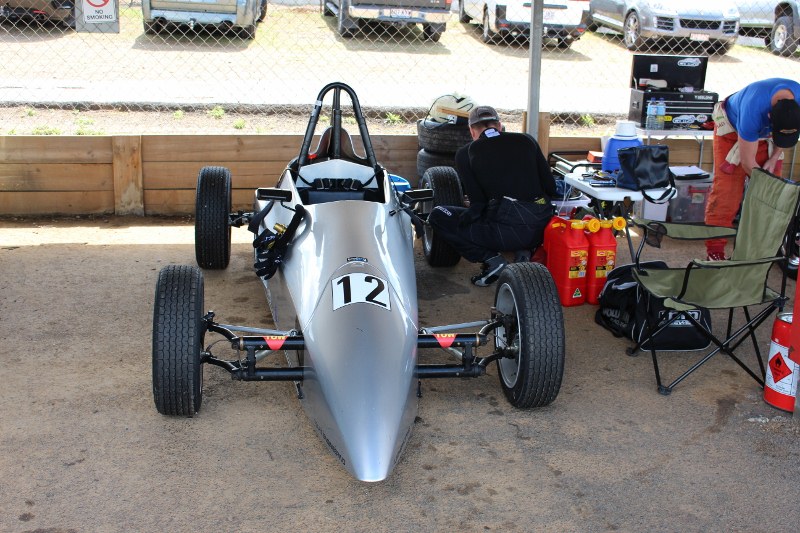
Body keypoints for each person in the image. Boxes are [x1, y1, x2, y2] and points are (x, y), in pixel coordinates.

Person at [427, 105, 556, 286]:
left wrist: (465, 215)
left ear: (472, 131)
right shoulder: (526, 140)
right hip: (540, 229)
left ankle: (493, 260)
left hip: (504, 232)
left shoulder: (466, 153)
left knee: (439, 215)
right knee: (521, 207)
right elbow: (551, 187)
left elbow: (478, 205)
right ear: (500, 126)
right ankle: (524, 251)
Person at [704, 78, 800, 260]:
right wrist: (763, 184)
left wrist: (773, 158)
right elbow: (748, 162)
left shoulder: (796, 107)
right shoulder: (753, 109)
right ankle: (715, 251)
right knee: (727, 192)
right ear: (770, 118)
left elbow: (785, 134)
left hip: (767, 135)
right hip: (732, 130)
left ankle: (760, 250)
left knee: (772, 196)